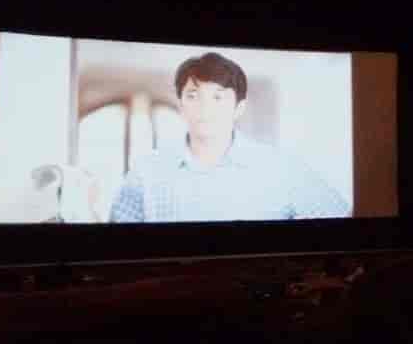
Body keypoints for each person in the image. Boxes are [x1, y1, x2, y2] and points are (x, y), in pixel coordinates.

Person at [110, 52, 351, 222]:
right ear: (181, 105)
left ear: (239, 108)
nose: (205, 107)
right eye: (193, 95)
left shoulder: (280, 167)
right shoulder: (146, 171)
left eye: (218, 97)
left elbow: (340, 218)